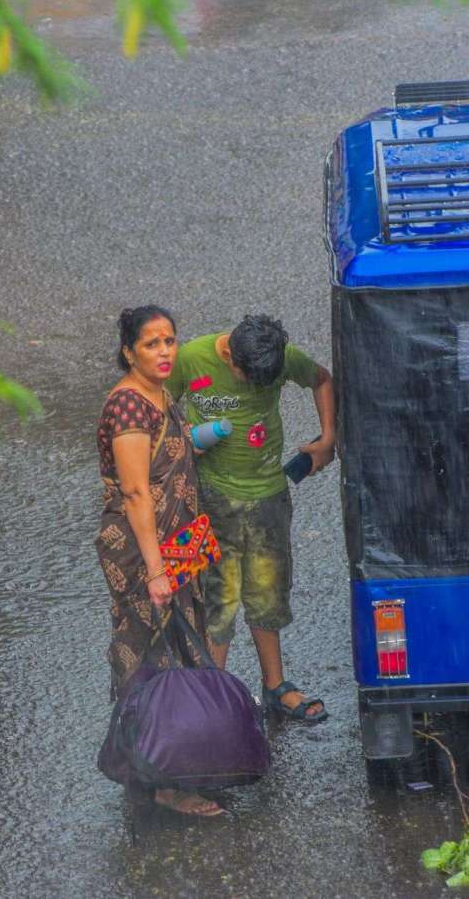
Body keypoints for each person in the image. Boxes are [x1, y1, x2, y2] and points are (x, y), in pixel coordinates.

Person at [167, 314, 335, 723]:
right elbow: (158, 410)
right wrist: (185, 437)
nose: (255, 387)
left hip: (269, 497)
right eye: (248, 378)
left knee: (267, 592)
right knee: (218, 595)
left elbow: (322, 380)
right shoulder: (191, 360)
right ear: (230, 355)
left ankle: (275, 687)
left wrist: (328, 438)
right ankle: (213, 694)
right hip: (212, 498)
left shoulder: (281, 357)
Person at [95, 305, 223, 817]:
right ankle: (166, 784)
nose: (165, 351)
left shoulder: (159, 394)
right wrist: (155, 570)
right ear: (128, 351)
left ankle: (148, 770)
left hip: (177, 546)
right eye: (152, 343)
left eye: (170, 340)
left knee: (173, 654)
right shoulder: (128, 407)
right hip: (144, 552)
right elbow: (135, 492)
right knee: (155, 659)